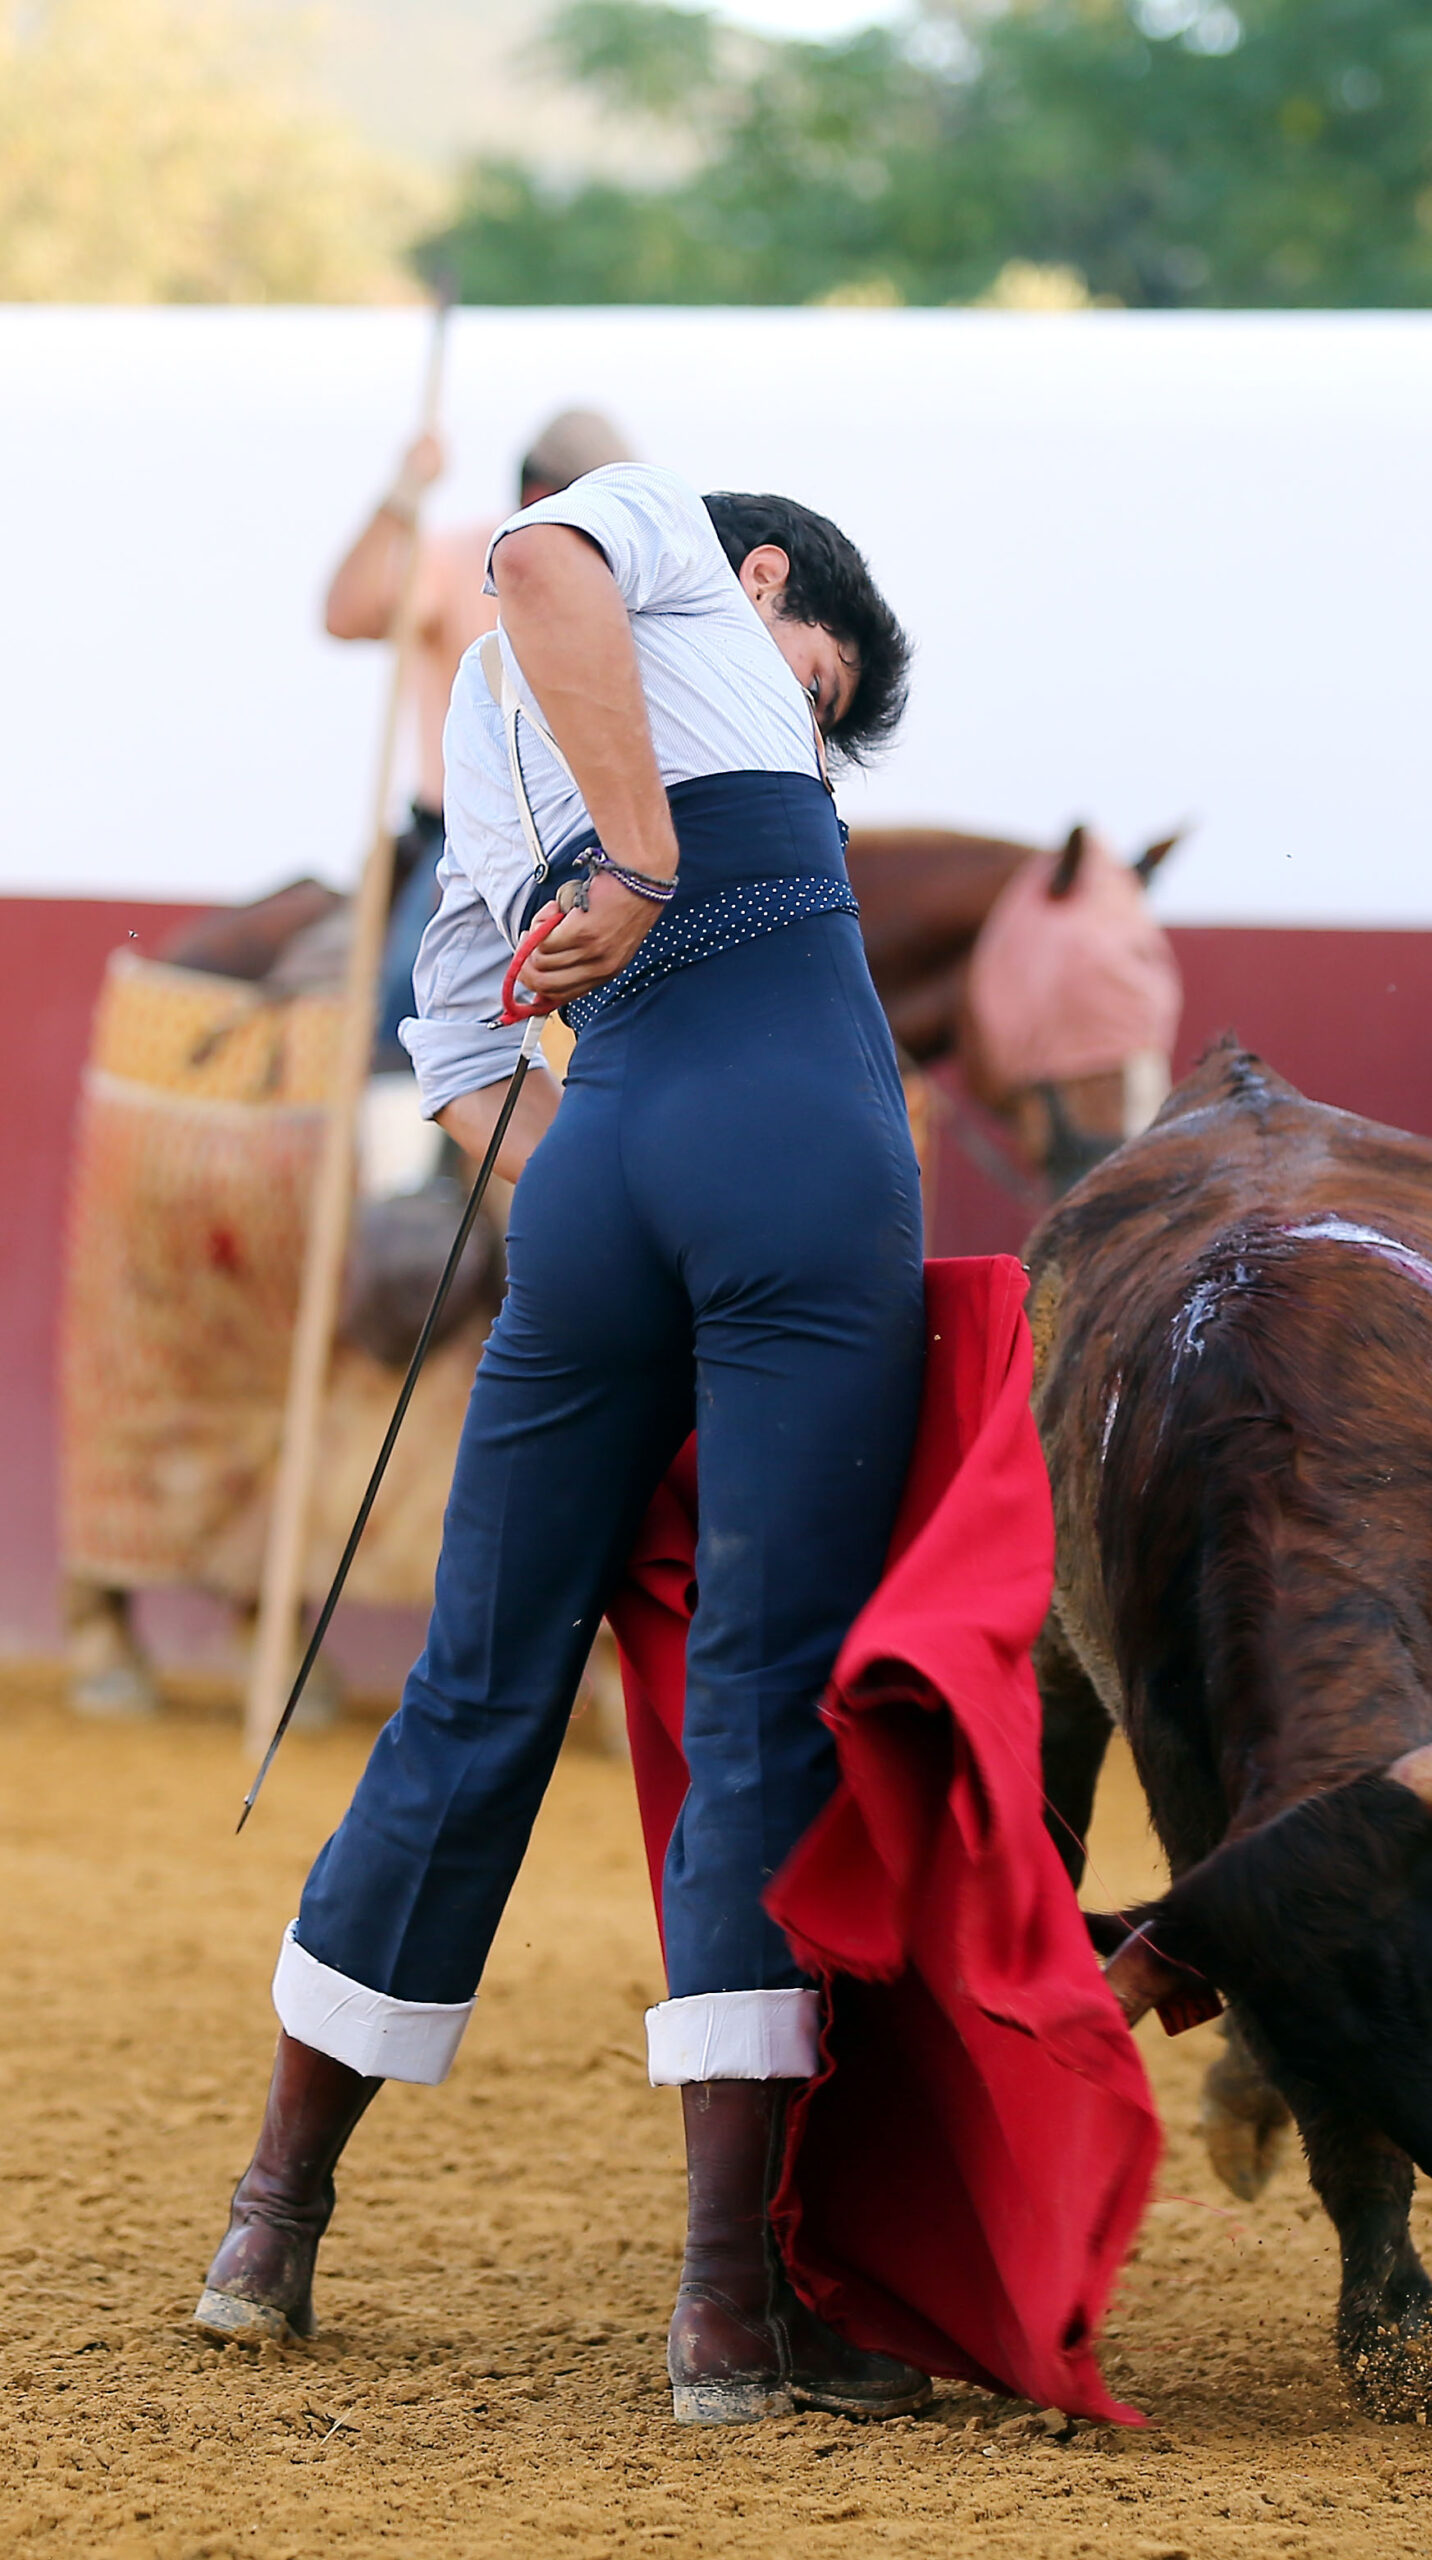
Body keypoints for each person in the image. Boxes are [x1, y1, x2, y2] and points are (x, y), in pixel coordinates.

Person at [195, 459, 932, 2428]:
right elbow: (533, 550)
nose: (809, 732)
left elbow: (459, 1046)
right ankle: (724, 2313)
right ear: (755, 579)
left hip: (597, 1174)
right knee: (762, 1696)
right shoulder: (653, 537)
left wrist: (619, 1171)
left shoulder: (478, 737)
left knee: (468, 1689)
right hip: (797, 1154)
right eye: (817, 681)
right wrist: (650, 861)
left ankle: (271, 2221)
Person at [323, 407, 633, 1055]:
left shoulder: (630, 584)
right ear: (541, 499)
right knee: (418, 999)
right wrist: (403, 494)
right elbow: (346, 613)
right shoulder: (465, 562)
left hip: (610, 840)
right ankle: (402, 1107)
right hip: (467, 844)